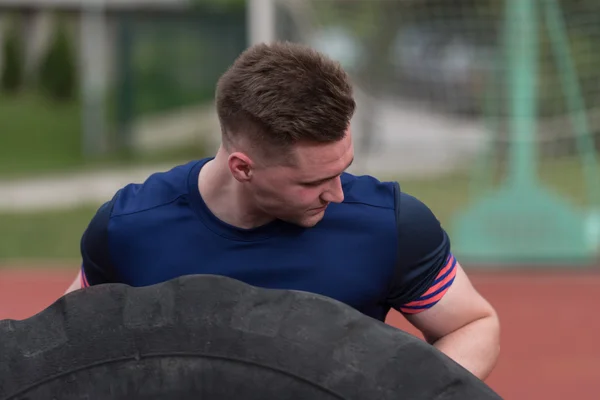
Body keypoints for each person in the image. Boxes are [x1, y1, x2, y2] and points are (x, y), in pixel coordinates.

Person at [66, 41, 500, 380]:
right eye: (312, 182)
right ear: (243, 168)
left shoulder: (390, 224)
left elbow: (473, 325)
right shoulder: (129, 228)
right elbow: (65, 347)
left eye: (343, 169)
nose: (338, 194)